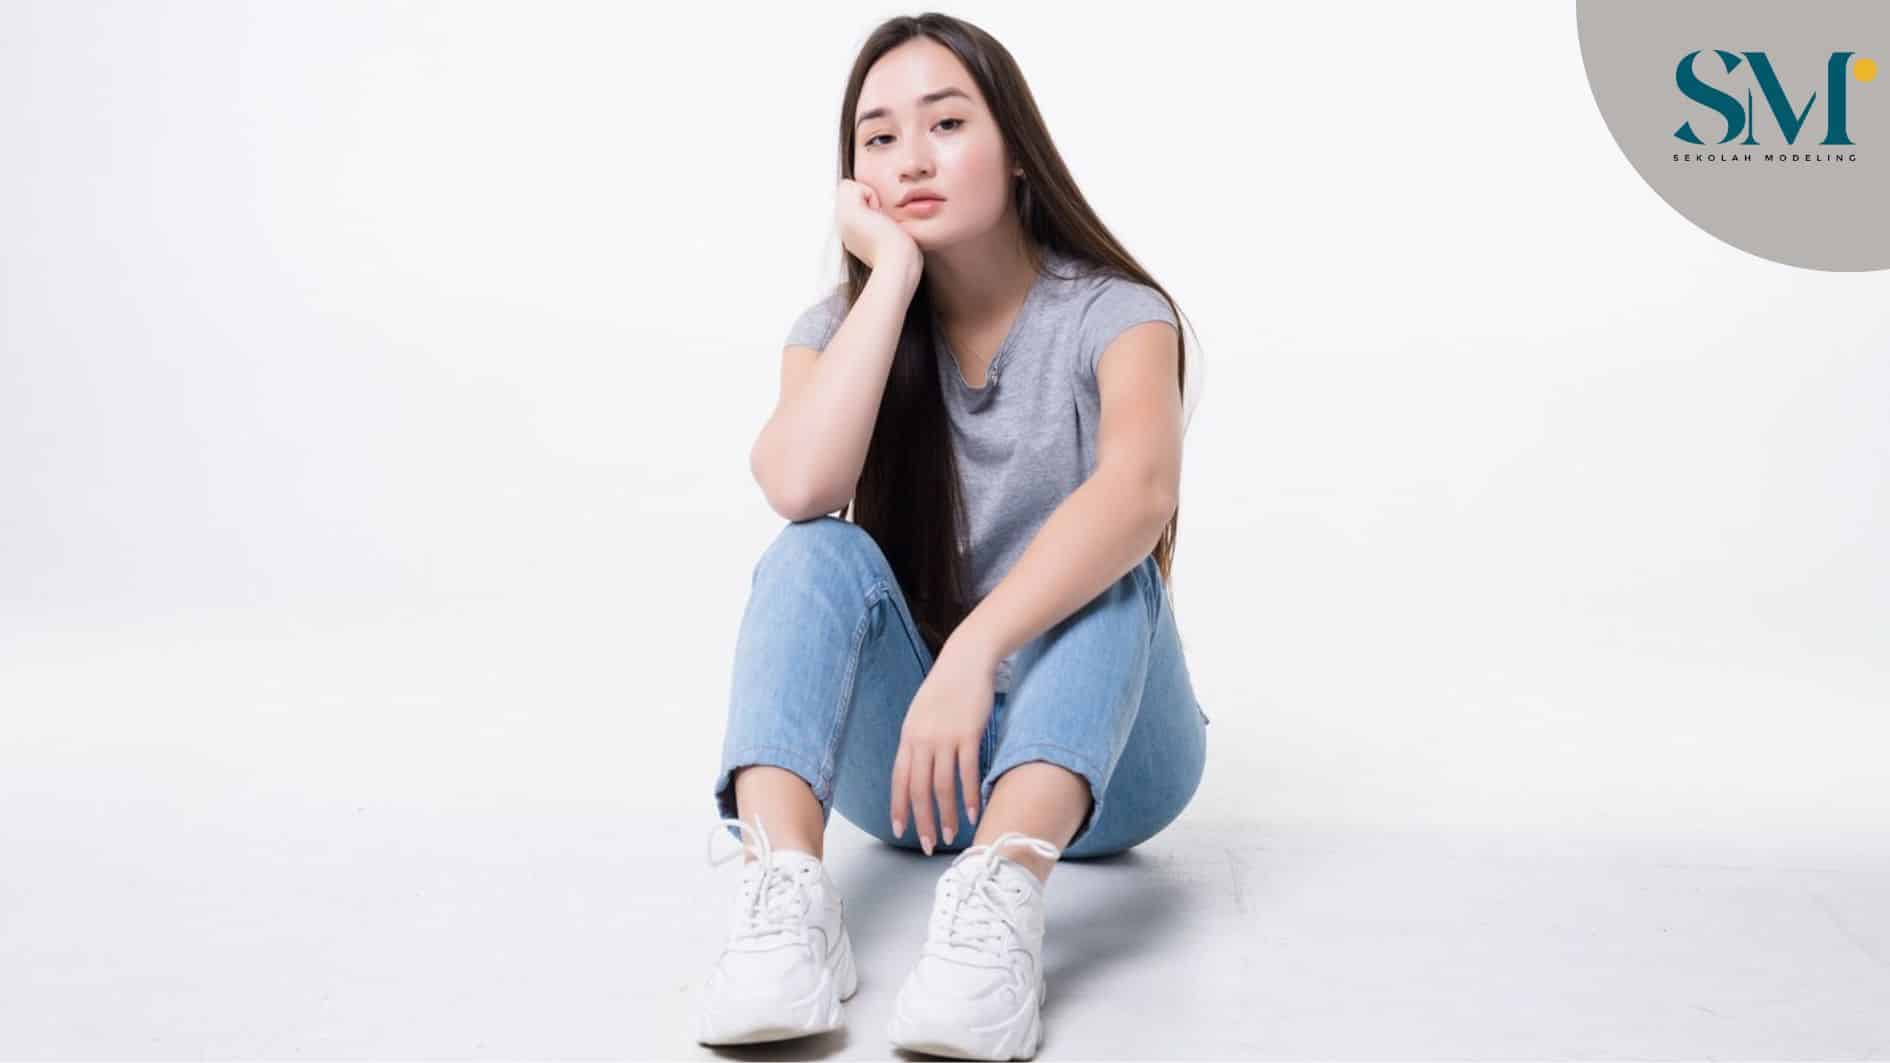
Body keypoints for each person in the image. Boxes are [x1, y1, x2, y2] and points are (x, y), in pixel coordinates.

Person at [694, 12, 1209, 1060]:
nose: (911, 158)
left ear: (1016, 150)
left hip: (1115, 767)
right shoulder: (835, 333)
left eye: (946, 123)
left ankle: (1001, 900)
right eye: (878, 138)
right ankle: (784, 899)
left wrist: (975, 650)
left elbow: (1140, 493)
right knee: (811, 550)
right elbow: (799, 484)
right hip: (926, 776)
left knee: (1111, 572)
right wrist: (887, 276)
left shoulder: (1119, 314)